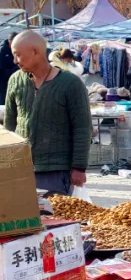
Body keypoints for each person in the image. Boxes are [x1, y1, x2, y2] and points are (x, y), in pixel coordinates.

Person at [4, 31, 91, 195]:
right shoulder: (15, 80)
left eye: (18, 55)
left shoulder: (71, 84)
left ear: (35, 52)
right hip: (21, 169)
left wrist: (79, 167)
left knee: (55, 218)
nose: (15, 61)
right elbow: (9, 125)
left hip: (56, 170)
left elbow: (82, 127)